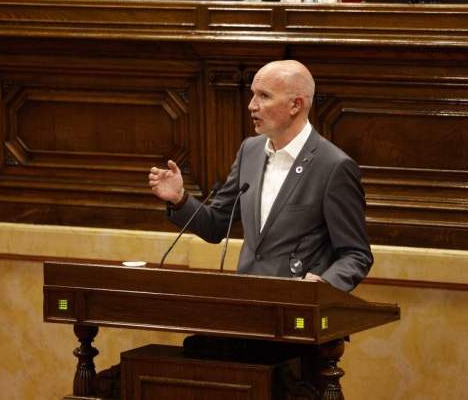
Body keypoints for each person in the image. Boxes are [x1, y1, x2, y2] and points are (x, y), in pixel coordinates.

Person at [148, 60, 372, 292]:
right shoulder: (250, 151)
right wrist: (180, 198)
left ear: (295, 105)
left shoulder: (334, 166)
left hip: (297, 308)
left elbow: (356, 254)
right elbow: (215, 226)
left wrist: (324, 285)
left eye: (264, 96)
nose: (251, 106)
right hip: (249, 305)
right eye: (253, 95)